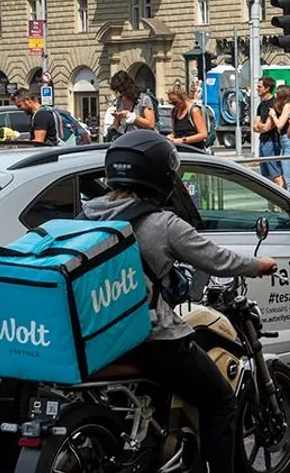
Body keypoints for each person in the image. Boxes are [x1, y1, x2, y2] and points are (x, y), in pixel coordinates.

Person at [81, 130, 276, 473]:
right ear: (161, 176)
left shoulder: (85, 216)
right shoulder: (162, 224)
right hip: (152, 340)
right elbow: (216, 259)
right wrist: (258, 265)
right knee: (221, 402)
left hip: (101, 337)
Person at [270, 85, 290, 196]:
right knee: (288, 177)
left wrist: (273, 115)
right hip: (286, 142)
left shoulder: (288, 106)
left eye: (277, 94)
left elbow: (280, 124)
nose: (275, 96)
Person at [253, 77, 284, 188]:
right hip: (262, 140)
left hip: (272, 141)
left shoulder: (274, 104)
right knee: (266, 176)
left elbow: (266, 127)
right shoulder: (261, 105)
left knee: (275, 174)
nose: (257, 88)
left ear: (267, 88)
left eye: (260, 86)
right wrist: (260, 125)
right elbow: (254, 126)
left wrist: (260, 125)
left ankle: (283, 199)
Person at [109, 71, 157, 139]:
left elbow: (151, 124)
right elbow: (117, 124)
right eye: (118, 92)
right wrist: (117, 118)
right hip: (123, 138)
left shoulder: (144, 99)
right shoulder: (119, 101)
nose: (121, 94)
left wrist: (132, 117)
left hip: (140, 139)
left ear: (128, 87)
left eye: (122, 91)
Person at [167, 85, 208, 149]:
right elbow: (174, 133)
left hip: (195, 151)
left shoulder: (194, 110)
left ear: (183, 98)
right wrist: (170, 137)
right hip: (180, 152)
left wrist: (182, 140)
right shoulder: (174, 112)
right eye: (171, 103)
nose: (174, 105)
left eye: (176, 102)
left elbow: (203, 134)